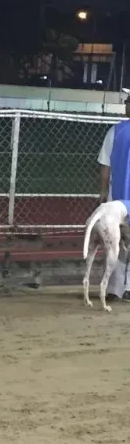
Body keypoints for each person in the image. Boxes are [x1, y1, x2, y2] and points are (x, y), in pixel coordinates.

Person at [96, 95, 130, 301]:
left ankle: (114, 289)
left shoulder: (115, 131)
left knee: (114, 243)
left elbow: (105, 166)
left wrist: (101, 192)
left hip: (117, 199)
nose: (126, 105)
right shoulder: (115, 130)